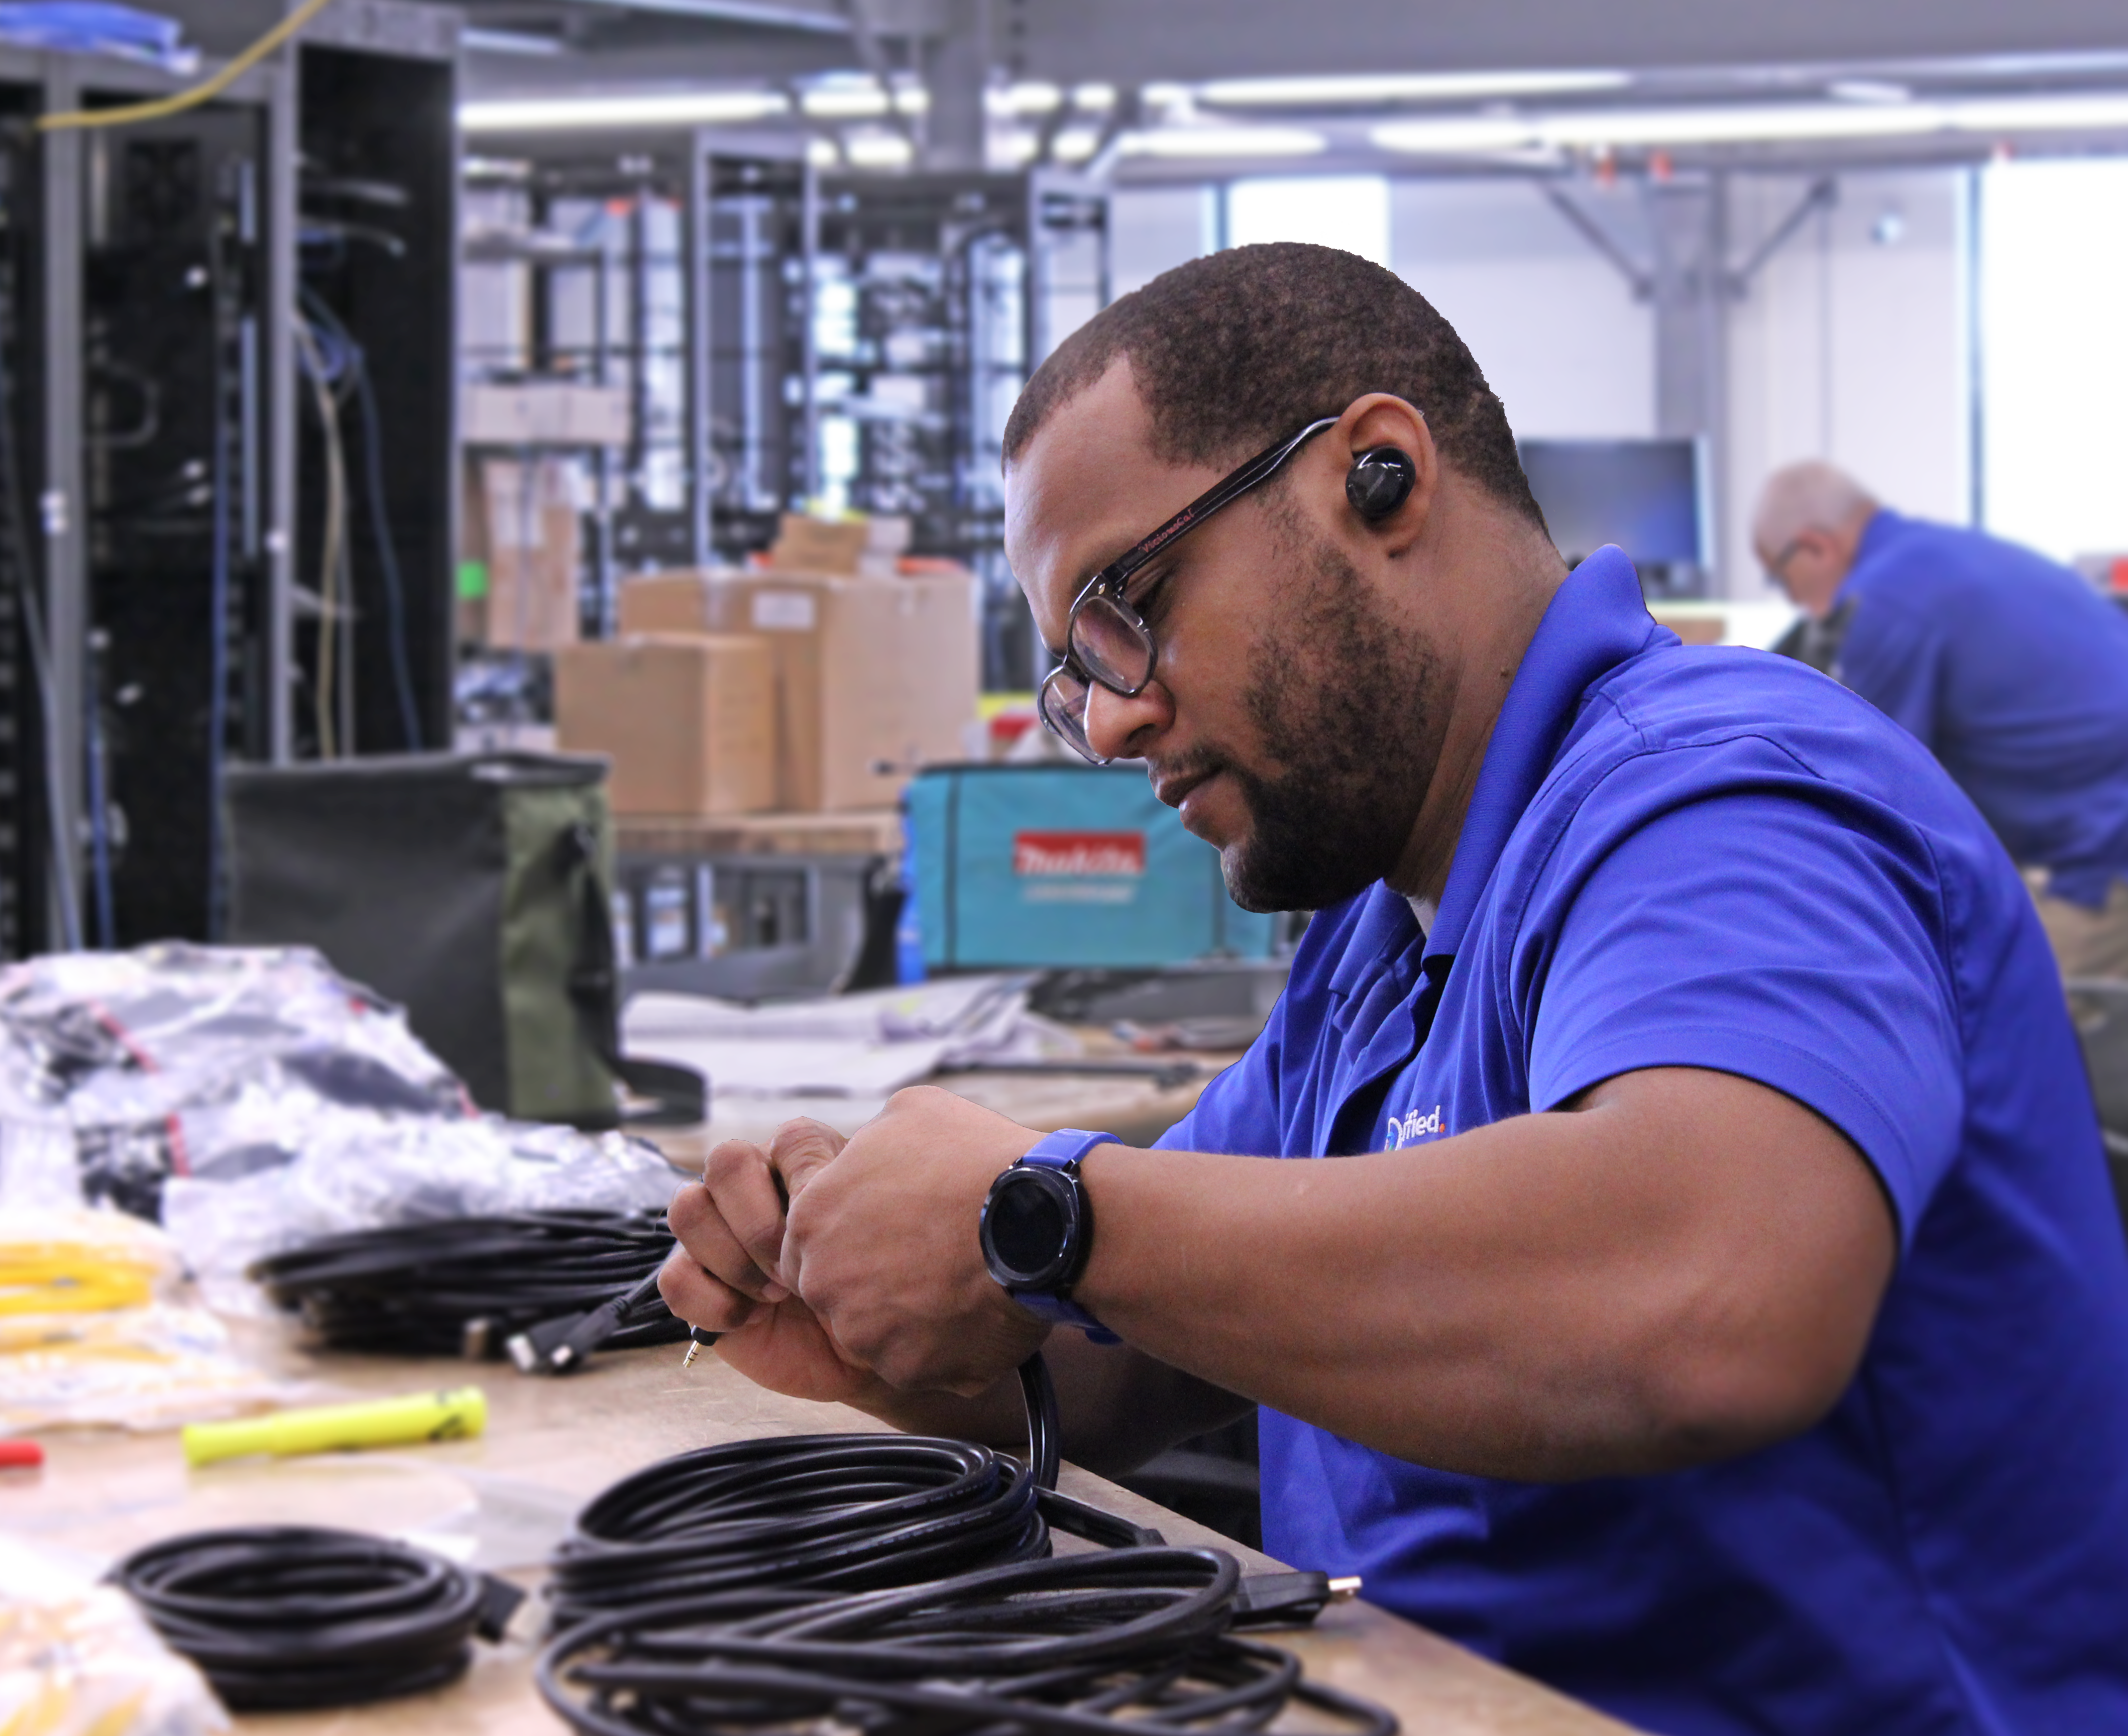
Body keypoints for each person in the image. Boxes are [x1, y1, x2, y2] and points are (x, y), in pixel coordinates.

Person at [659, 245, 2128, 1736]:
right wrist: (889, 1314)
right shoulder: (1377, 935)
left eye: (1129, 604)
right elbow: (1127, 1355)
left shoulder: (1727, 801)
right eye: (1076, 667)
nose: (1113, 719)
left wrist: (1038, 1208)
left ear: (1378, 478)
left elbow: (1712, 1300)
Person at [1753, 460, 2128, 977]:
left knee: (1983, 1029)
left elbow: (1877, 799)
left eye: (1782, 579)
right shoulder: (1946, 555)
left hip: (2103, 855)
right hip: (2095, 827)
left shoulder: (1886, 603)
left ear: (1816, 547)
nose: (1796, 602)